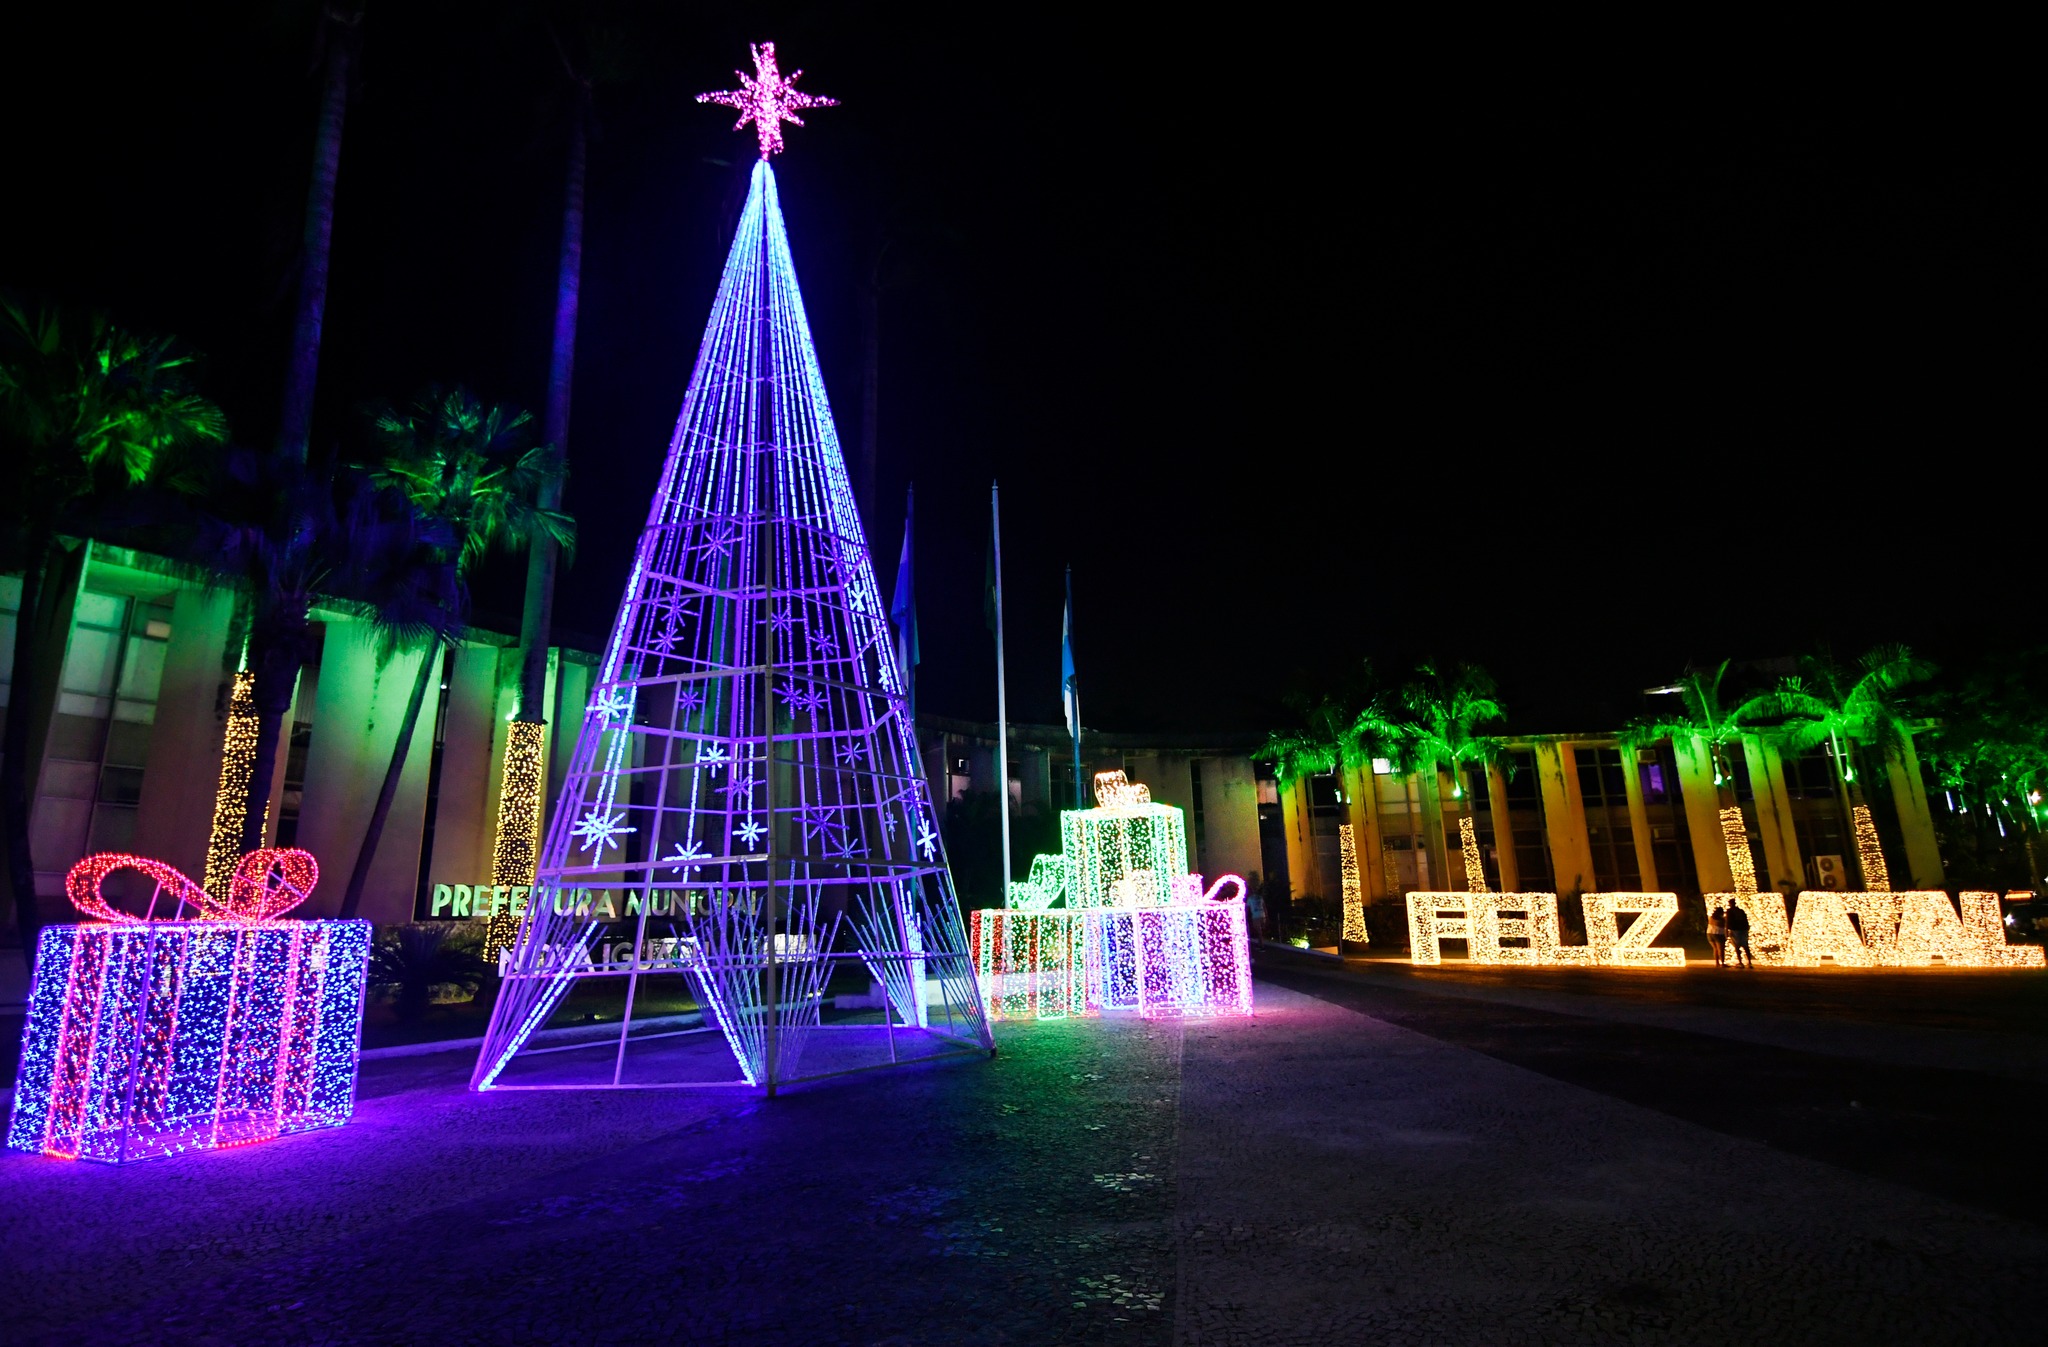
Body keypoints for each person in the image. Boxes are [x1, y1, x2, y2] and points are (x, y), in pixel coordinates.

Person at [1726, 899, 1753, 968]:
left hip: (1735, 929)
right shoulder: (1741, 911)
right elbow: (1745, 919)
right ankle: (1749, 962)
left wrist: (1726, 930)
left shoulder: (1730, 911)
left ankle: (1740, 962)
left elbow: (1728, 921)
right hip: (1743, 929)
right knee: (1745, 945)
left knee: (1737, 946)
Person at [1706, 903, 1727, 967]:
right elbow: (1723, 926)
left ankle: (1717, 962)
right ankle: (1722, 963)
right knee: (1721, 949)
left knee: (1715, 949)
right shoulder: (1721, 919)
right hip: (1718, 933)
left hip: (1709, 933)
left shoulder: (1710, 918)